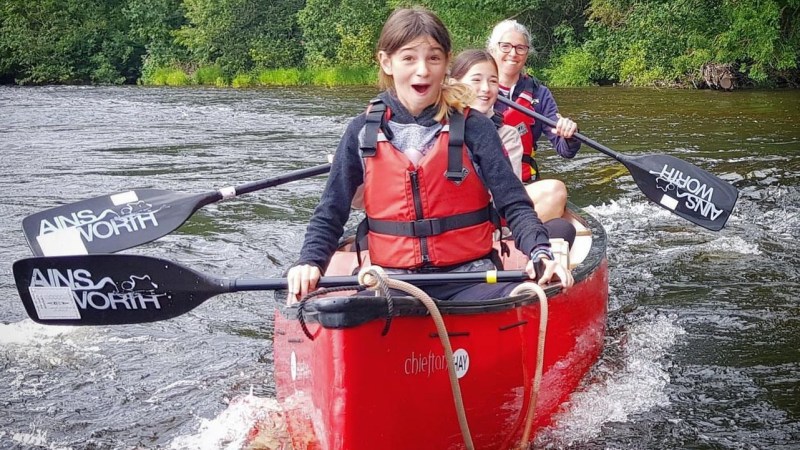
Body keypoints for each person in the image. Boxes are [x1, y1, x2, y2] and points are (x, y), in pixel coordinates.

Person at [286, 7, 573, 304]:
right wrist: (310, 261)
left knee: (525, 299)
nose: (422, 70)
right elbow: (330, 211)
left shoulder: (476, 128)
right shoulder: (361, 131)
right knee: (338, 310)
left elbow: (515, 204)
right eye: (408, 58)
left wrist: (540, 251)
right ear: (387, 62)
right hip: (390, 282)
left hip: (471, 278)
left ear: (447, 62)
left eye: (434, 57)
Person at [451, 48, 576, 248]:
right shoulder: (436, 128)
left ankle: (513, 244)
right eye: (476, 80)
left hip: (492, 223)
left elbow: (510, 197)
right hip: (451, 227)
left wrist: (570, 138)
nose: (485, 88)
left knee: (562, 224)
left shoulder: (508, 133)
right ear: (454, 85)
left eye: (493, 81)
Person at [487, 19, 581, 222]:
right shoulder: (477, 87)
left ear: (527, 53)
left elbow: (565, 151)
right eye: (505, 46)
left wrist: (570, 134)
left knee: (557, 191)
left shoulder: (539, 93)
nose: (513, 53)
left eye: (520, 48)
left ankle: (512, 230)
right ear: (492, 49)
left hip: (523, 186)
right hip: (481, 187)